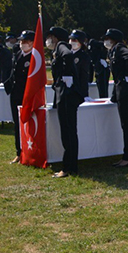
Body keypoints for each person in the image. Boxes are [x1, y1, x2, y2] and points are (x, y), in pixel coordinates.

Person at [49, 27, 89, 178]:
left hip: (67, 95)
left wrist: (68, 74)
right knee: (69, 132)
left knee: (68, 132)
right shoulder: (61, 48)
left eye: (51, 37)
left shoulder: (61, 46)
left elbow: (67, 57)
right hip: (65, 94)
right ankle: (71, 166)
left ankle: (67, 167)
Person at [105, 28, 128, 167]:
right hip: (121, 90)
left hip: (126, 91)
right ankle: (126, 156)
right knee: (125, 123)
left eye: (108, 38)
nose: (106, 41)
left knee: (127, 123)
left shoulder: (119, 48)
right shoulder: (113, 51)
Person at [7, 31, 34, 164]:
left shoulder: (35, 58)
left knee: (29, 124)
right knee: (17, 124)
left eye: (25, 41)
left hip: (27, 95)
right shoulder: (18, 54)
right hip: (16, 94)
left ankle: (30, 151)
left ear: (32, 43)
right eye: (21, 41)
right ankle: (19, 151)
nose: (22, 44)